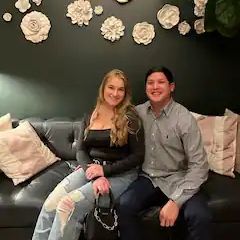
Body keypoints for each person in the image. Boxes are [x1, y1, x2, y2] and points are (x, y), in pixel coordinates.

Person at [32, 69, 144, 240]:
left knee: (68, 205)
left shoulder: (131, 117)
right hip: (91, 170)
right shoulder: (91, 115)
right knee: (50, 205)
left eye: (120, 89)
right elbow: (81, 150)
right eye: (111, 87)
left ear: (125, 92)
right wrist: (94, 173)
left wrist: (105, 172)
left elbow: (138, 156)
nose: (115, 93)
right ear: (103, 88)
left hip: (121, 174)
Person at [119, 66, 211, 240]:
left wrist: (176, 201)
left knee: (200, 216)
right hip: (148, 179)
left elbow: (199, 166)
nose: (155, 87)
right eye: (150, 83)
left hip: (179, 179)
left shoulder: (184, 118)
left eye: (161, 82)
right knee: (124, 205)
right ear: (145, 87)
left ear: (171, 87)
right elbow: (112, 123)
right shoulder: (137, 113)